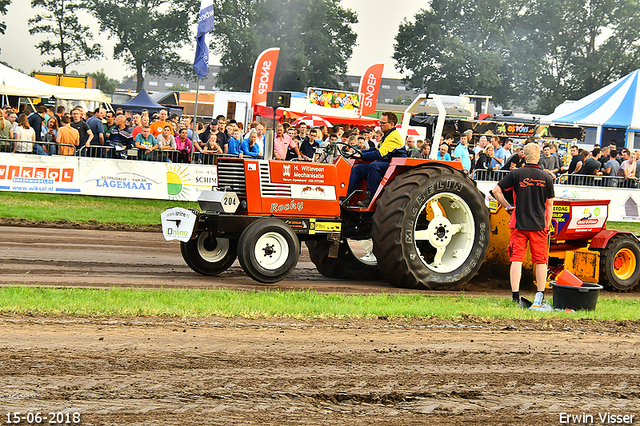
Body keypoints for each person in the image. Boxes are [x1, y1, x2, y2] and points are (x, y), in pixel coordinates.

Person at [492, 143, 555, 311]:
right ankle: (540, 295)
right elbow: (549, 205)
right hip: (539, 225)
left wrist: (507, 206)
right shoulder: (547, 177)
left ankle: (515, 296)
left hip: (518, 224)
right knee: (541, 261)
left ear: (524, 156)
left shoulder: (516, 174)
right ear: (539, 156)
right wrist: (547, 225)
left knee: (516, 260)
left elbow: (496, 190)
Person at [347, 111, 406, 207]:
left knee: (374, 166)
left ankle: (371, 198)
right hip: (386, 162)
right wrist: (359, 152)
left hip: (394, 166)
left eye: (383, 123)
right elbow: (376, 149)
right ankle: (347, 196)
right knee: (358, 168)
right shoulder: (387, 135)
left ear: (391, 124)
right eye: (380, 122)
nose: (380, 125)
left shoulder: (394, 137)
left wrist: (361, 156)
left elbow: (378, 154)